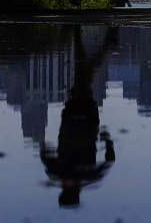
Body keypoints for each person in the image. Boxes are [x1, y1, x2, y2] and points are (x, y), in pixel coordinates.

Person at [40, 26, 117, 207]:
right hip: (75, 117)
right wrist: (106, 139)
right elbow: (44, 151)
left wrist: (106, 139)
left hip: (84, 119)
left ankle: (95, 40)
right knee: (82, 74)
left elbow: (110, 160)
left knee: (83, 74)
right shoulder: (60, 173)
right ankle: (86, 37)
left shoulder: (85, 176)